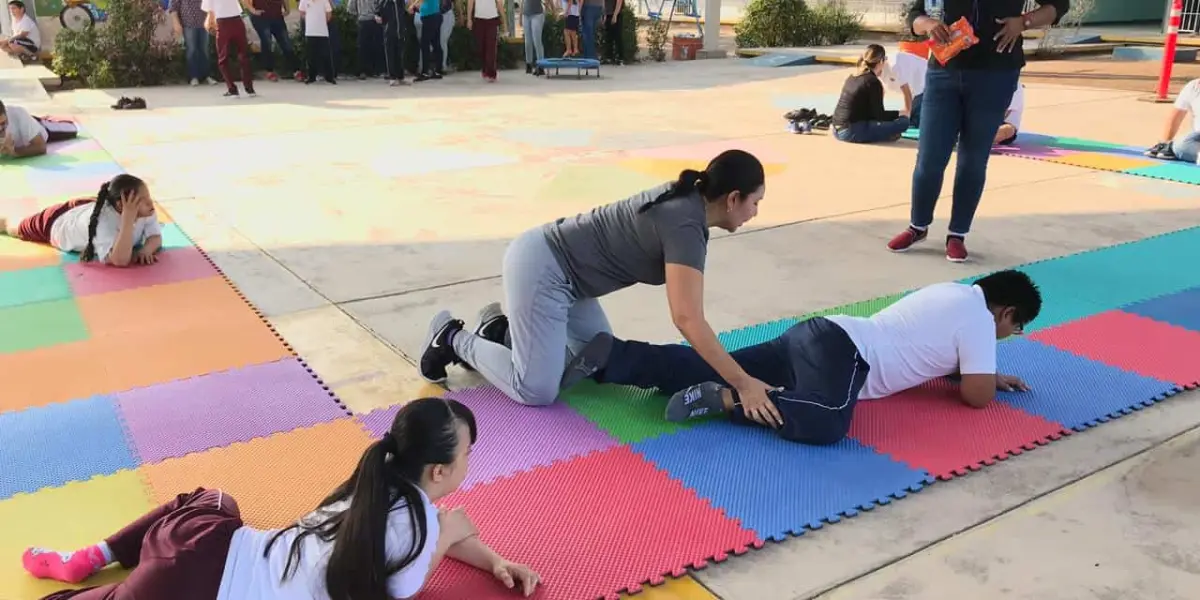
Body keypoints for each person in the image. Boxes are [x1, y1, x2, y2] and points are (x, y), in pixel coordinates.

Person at [20, 398, 542, 600]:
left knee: (213, 499)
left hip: (197, 553)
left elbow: (433, 537)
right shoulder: (420, 528)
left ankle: (95, 556)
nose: (471, 461)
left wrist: (495, 561)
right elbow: (407, 585)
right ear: (438, 470)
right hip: (196, 583)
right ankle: (92, 567)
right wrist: (448, 533)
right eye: (468, 453)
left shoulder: (376, 483)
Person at [418, 150, 775, 419]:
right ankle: (452, 338)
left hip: (570, 282)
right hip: (543, 268)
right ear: (732, 199)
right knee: (537, 389)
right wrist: (743, 383)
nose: (755, 212)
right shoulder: (685, 225)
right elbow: (687, 319)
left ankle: (501, 331)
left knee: (593, 354)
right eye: (755, 202)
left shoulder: (688, 206)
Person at [560, 270, 1042, 446]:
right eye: (1012, 331)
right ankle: (726, 400)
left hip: (816, 335)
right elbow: (975, 398)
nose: (1005, 338)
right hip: (845, 354)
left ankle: (612, 356)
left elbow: (936, 351)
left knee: (701, 361)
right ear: (1007, 312)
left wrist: (985, 372)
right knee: (830, 419)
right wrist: (986, 376)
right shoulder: (980, 318)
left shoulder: (951, 292)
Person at [887, 0, 1068, 263]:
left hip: (995, 75)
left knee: (973, 159)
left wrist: (1024, 22)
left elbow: (1058, 5)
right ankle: (918, 226)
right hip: (944, 72)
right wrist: (929, 25)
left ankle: (957, 234)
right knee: (930, 158)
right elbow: (915, 15)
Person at [0, 174, 163, 267]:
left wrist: (146, 250)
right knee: (12, 227)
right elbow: (120, 261)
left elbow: (155, 237)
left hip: (87, 206)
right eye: (144, 199)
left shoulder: (145, 211)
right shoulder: (105, 222)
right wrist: (128, 221)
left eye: (149, 197)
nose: (151, 203)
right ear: (122, 206)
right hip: (56, 222)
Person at [831, 45, 912, 144]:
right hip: (850, 131)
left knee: (881, 123)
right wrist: (900, 113)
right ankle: (884, 135)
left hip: (836, 129)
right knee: (903, 122)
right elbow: (879, 115)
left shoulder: (852, 77)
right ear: (881, 61)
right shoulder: (873, 82)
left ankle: (881, 133)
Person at [202, 0, 258, 98]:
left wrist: (208, 24)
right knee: (243, 55)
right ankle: (249, 89)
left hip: (223, 22)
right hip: (237, 20)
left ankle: (232, 89)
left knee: (223, 58)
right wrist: (252, 10)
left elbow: (210, 12)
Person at [1145, 77, 1200, 162]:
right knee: (1181, 145)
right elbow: (1176, 115)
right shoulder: (1193, 86)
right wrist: (1165, 142)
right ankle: (1169, 146)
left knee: (1180, 147)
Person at [246, 0, 303, 82]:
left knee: (286, 42)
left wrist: (287, 9)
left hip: (276, 15)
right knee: (267, 40)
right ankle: (269, 70)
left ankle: (296, 70)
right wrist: (253, 10)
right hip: (261, 16)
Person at [1, 100, 78, 159]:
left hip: (41, 127)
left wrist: (15, 151)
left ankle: (45, 119)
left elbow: (41, 147)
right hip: (28, 124)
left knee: (74, 130)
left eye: (3, 123)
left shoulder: (18, 115)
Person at [169, 0, 219, 86]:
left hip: (203, 23)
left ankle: (206, 75)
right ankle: (193, 76)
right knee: (192, 50)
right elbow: (173, 6)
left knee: (204, 50)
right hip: (188, 23)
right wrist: (176, 22)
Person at [881, 46, 927, 129]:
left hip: (924, 84)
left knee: (915, 119)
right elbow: (880, 91)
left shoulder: (894, 66)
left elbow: (907, 92)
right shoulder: (875, 70)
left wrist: (907, 115)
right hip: (914, 88)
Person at [300, 0, 337, 84]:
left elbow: (329, 13)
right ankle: (311, 76)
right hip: (310, 32)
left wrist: (321, 22)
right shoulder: (304, 1)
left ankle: (329, 77)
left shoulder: (324, 1)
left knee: (326, 55)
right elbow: (302, 12)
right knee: (311, 56)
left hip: (322, 32)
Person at [468, 0, 506, 82]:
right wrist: (469, 19)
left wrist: (504, 20)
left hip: (492, 19)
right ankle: (485, 69)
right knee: (481, 47)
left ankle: (491, 73)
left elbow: (499, 3)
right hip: (479, 19)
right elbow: (470, 2)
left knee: (491, 46)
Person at [348, 0, 385, 80]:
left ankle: (366, 71)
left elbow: (351, 9)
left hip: (366, 20)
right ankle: (374, 71)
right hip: (372, 20)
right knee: (372, 46)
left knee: (364, 47)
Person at [377, 0, 410, 86]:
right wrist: (379, 19)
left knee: (400, 55)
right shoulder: (385, 2)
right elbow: (378, 14)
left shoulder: (401, 2)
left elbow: (404, 14)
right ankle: (392, 77)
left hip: (401, 32)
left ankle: (400, 77)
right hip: (389, 32)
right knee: (390, 55)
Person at [411, 0, 444, 81]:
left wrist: (413, 5)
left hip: (430, 17)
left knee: (425, 44)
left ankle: (425, 72)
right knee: (436, 44)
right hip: (434, 15)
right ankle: (438, 71)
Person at [522, 0, 551, 75]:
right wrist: (520, 15)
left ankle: (541, 66)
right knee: (527, 42)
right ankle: (529, 64)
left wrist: (550, 8)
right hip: (526, 14)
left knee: (537, 40)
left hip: (537, 14)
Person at [601, 0, 622, 64]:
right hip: (608, 14)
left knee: (617, 36)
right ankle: (609, 57)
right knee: (608, 37)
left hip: (616, 14)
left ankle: (620, 58)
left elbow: (619, 2)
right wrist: (604, 15)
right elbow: (604, 2)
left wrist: (615, 15)